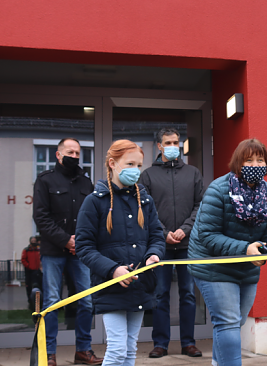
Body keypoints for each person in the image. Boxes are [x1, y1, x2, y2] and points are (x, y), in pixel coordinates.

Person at [188, 138, 267, 366]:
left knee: (236, 322)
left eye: (259, 160)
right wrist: (245, 248)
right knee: (227, 322)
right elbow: (208, 236)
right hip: (212, 264)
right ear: (237, 163)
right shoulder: (218, 189)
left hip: (247, 266)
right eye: (248, 160)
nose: (254, 165)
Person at [76, 139, 165, 366]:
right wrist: (113, 270)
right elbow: (84, 247)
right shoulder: (93, 202)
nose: (135, 171)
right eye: (129, 164)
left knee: (129, 349)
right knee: (116, 350)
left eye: (138, 165)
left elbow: (156, 235)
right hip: (111, 287)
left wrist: (153, 255)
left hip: (140, 284)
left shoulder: (145, 201)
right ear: (113, 164)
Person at [32, 138, 102, 366]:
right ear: (58, 154)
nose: (74, 155)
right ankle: (49, 353)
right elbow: (41, 217)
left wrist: (79, 242)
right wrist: (66, 240)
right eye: (69, 151)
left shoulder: (85, 182)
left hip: (79, 252)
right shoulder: (45, 180)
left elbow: (92, 216)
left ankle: (83, 350)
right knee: (52, 301)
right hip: (53, 251)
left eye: (77, 152)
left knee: (87, 301)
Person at [140, 128, 204, 358]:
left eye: (176, 142)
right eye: (168, 142)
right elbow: (145, 210)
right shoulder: (147, 175)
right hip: (160, 246)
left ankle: (188, 343)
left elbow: (201, 205)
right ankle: (160, 343)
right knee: (160, 295)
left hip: (187, 245)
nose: (173, 146)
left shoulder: (193, 173)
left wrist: (184, 230)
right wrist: (165, 232)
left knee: (187, 294)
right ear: (159, 145)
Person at [21, 235, 42, 310]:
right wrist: (29, 266)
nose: (33, 241)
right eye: (32, 240)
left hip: (38, 271)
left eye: (34, 240)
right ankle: (30, 301)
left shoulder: (39, 249)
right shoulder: (26, 250)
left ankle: (39, 302)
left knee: (39, 286)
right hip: (30, 271)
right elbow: (23, 260)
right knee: (29, 286)